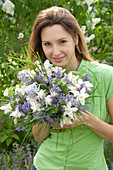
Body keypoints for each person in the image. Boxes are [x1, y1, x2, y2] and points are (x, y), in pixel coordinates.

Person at [29, 6, 113, 170]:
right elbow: (39, 137)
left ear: (75, 38)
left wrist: (86, 119)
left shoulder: (106, 76)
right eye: (47, 44)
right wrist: (48, 111)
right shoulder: (42, 79)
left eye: (62, 42)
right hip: (43, 166)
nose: (55, 52)